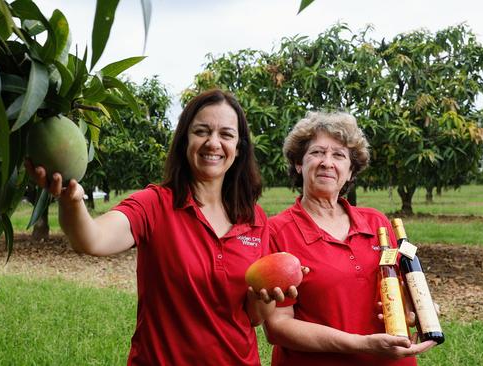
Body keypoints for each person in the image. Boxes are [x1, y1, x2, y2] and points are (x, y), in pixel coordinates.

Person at [25, 89, 291, 365]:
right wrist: (72, 200)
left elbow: (253, 317)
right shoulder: (154, 205)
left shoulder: (254, 219)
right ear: (184, 140)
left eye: (226, 134)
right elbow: (92, 239)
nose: (213, 143)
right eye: (202, 131)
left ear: (239, 148)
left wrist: (266, 295)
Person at [263, 111, 436, 365]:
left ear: (350, 170)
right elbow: (278, 326)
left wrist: (417, 310)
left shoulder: (377, 222)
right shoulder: (277, 232)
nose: (327, 162)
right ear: (299, 163)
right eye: (317, 152)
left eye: (339, 155)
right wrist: (363, 344)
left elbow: (403, 286)